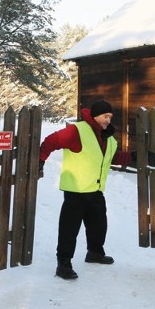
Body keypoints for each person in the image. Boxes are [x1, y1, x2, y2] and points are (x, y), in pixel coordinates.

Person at [39, 100, 132, 280]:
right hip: (75, 191)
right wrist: (41, 160)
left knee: (99, 224)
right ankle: (63, 264)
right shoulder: (77, 131)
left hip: (95, 189)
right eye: (106, 116)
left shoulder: (108, 138)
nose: (108, 120)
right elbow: (52, 141)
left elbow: (114, 158)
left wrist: (134, 156)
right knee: (69, 229)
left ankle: (95, 253)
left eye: (110, 117)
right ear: (96, 116)